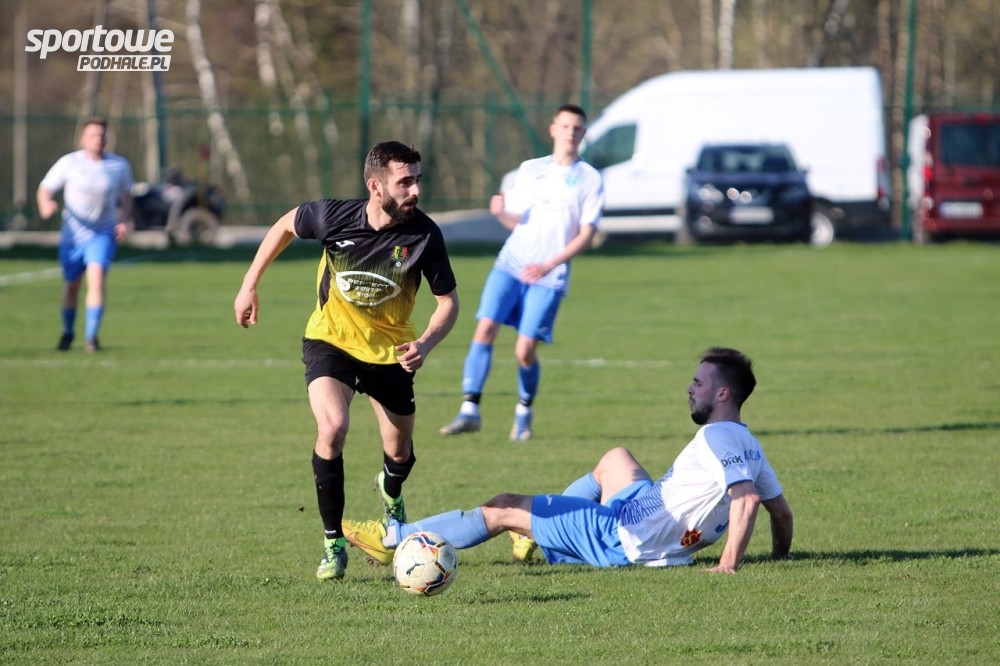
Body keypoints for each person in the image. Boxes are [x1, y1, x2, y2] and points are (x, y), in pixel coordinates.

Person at [345, 347, 794, 573]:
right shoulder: (748, 444)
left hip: (622, 537)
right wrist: (779, 557)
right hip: (641, 511)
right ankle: (536, 536)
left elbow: (747, 500)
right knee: (615, 458)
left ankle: (392, 538)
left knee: (503, 506)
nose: (689, 389)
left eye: (698, 383)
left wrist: (729, 564)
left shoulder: (717, 438)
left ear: (722, 394)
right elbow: (781, 512)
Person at [233, 141, 460, 581]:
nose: (415, 190)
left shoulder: (424, 235)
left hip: (391, 353)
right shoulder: (333, 218)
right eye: (405, 182)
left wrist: (427, 343)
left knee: (400, 453)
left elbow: (448, 303)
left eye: (418, 180)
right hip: (331, 341)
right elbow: (284, 225)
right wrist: (249, 284)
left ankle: (390, 491)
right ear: (375, 186)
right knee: (332, 428)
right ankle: (333, 541)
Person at [439, 103, 604, 441]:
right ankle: (469, 410)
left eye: (577, 127)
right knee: (485, 328)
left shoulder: (590, 178)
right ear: (553, 129)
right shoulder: (530, 169)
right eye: (565, 126)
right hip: (512, 263)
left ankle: (524, 412)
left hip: (549, 275)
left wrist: (548, 264)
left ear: (584, 134)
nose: (571, 132)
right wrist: (500, 212)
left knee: (524, 350)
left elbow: (587, 235)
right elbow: (515, 219)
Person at [37, 117, 134, 352]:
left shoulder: (119, 166)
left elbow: (126, 196)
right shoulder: (69, 163)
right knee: (72, 285)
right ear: (83, 138)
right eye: (93, 134)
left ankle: (91, 337)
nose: (98, 139)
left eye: (102, 135)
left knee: (96, 276)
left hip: (102, 233)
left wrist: (123, 221)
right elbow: (45, 188)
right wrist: (45, 204)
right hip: (72, 236)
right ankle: (68, 332)